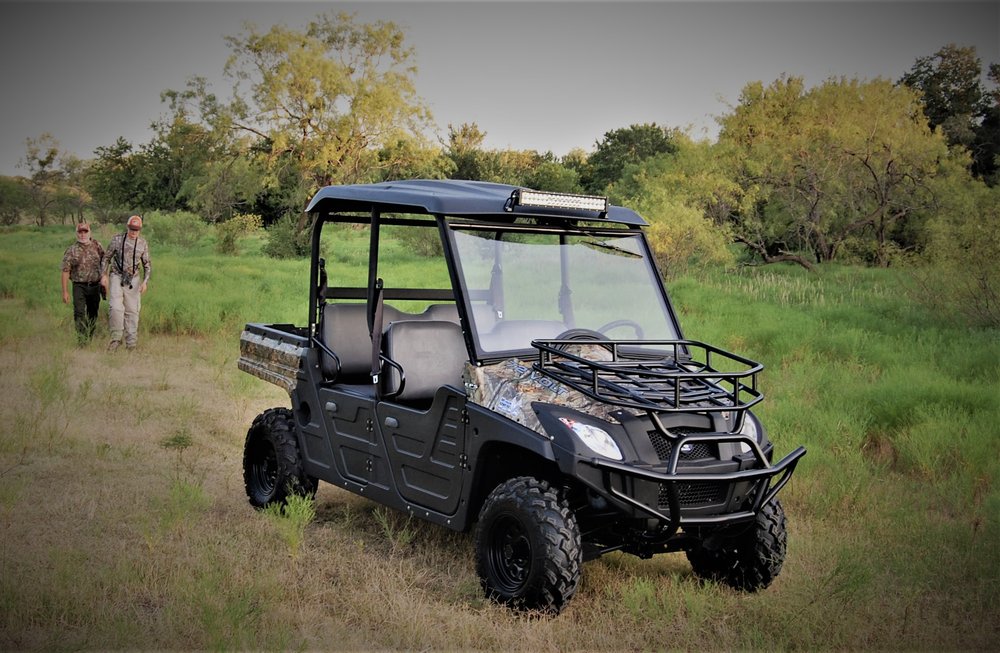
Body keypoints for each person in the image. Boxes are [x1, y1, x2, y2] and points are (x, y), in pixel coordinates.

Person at [100, 215, 151, 352]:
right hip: (117, 275)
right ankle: (116, 339)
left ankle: (131, 344)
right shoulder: (117, 240)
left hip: (133, 279)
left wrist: (145, 282)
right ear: (127, 227)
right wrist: (103, 275)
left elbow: (147, 265)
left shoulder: (142, 243)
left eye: (137, 229)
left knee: (132, 311)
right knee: (116, 307)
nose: (134, 232)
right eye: (132, 229)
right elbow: (106, 258)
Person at [60, 221, 105, 344]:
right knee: (79, 313)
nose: (83, 234)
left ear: (90, 232)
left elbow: (105, 262)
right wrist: (65, 292)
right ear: (77, 233)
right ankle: (82, 341)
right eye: (80, 232)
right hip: (79, 285)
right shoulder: (71, 250)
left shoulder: (97, 246)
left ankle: (89, 337)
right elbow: (65, 271)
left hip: (95, 285)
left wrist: (104, 277)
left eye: (85, 231)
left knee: (93, 313)